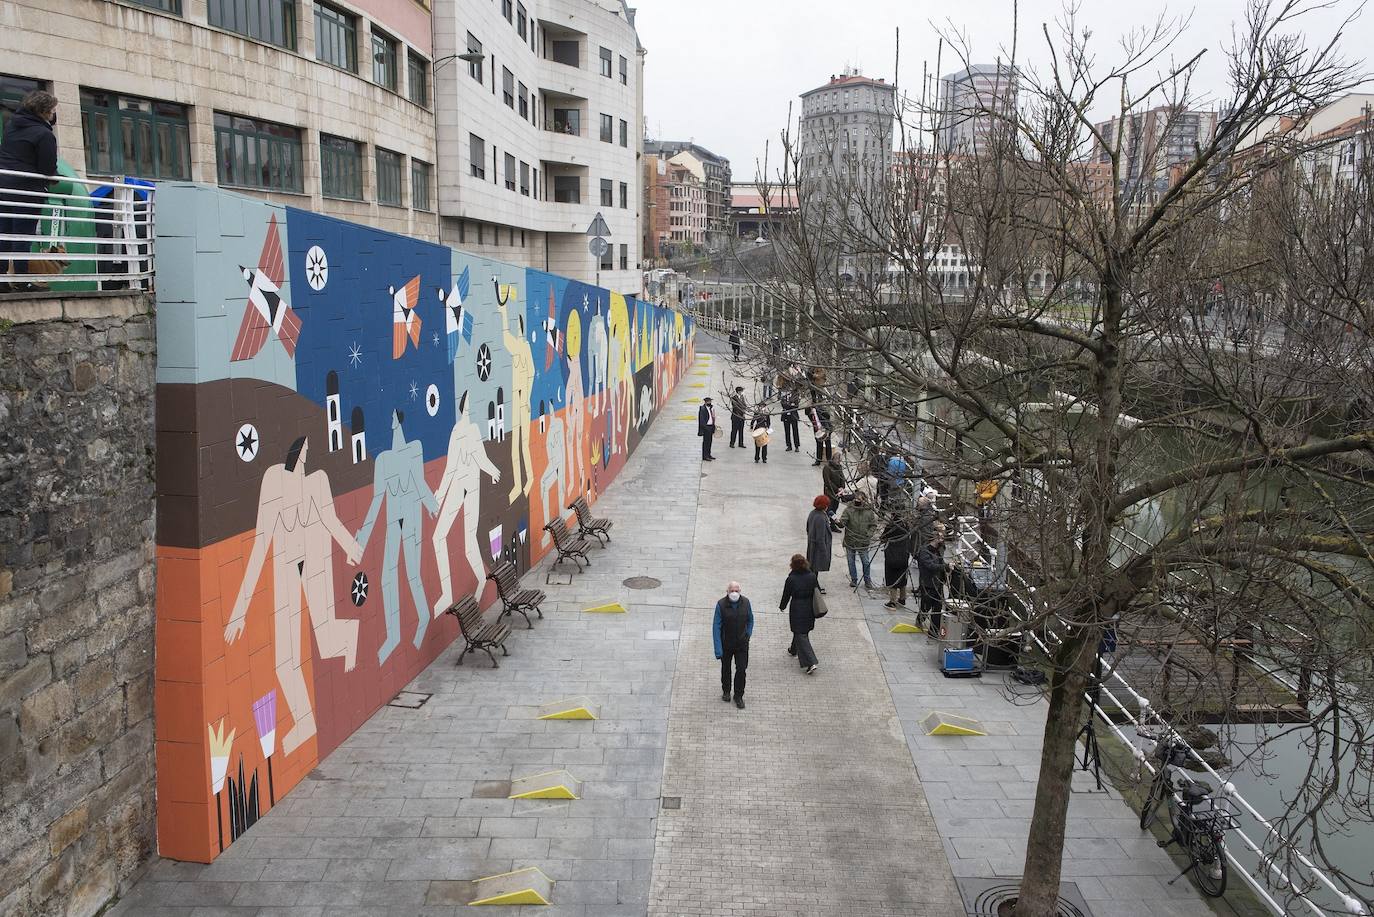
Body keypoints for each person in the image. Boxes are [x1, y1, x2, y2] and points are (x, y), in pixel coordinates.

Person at [0, 91, 59, 292]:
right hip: (26, 190)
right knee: (23, 236)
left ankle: (1, 281)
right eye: (52, 110)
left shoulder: (11, 126)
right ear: (44, 112)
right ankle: (22, 280)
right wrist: (54, 178)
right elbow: (47, 168)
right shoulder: (44, 134)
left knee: (5, 235)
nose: (53, 114)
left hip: (3, 187)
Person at [712, 581, 754, 709]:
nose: (734, 593)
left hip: (742, 644)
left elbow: (751, 620)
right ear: (727, 592)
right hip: (726, 644)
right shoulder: (721, 605)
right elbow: (716, 627)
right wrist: (718, 649)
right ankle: (726, 691)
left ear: (740, 591)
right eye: (732, 590)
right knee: (726, 668)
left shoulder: (746, 603)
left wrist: (748, 634)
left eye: (736, 590)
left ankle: (738, 695)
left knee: (741, 670)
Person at [780, 554, 820, 674]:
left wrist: (782, 606)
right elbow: (817, 590)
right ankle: (793, 650)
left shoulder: (791, 579)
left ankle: (810, 662)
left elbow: (786, 594)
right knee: (802, 631)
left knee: (800, 633)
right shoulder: (812, 576)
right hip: (809, 607)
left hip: (797, 608)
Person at [916, 524, 950, 638]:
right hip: (928, 583)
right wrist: (945, 567)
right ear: (934, 539)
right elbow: (930, 566)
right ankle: (920, 619)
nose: (942, 540)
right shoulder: (924, 551)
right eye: (940, 538)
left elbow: (940, 563)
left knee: (937, 609)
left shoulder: (940, 549)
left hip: (938, 583)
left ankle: (934, 631)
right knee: (926, 606)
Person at [838, 492, 877, 589]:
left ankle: (867, 580)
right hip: (850, 539)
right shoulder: (849, 510)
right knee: (851, 561)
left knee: (866, 562)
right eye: (856, 499)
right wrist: (838, 522)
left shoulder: (869, 511)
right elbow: (843, 523)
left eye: (860, 500)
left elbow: (873, 525)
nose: (858, 501)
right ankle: (854, 579)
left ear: (864, 500)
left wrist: (868, 534)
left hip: (863, 540)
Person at [882, 513, 916, 609]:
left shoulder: (891, 526)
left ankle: (892, 601)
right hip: (903, 555)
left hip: (892, 555)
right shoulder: (906, 526)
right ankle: (902, 598)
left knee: (891, 577)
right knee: (902, 577)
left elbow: (883, 537)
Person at [806, 495, 833, 593]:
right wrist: (824, 552)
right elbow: (820, 537)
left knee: (813, 568)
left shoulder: (812, 513)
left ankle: (815, 586)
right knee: (814, 568)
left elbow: (808, 529)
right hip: (817, 548)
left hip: (812, 545)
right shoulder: (821, 517)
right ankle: (815, 587)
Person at [821, 456, 846, 525]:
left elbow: (842, 477)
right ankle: (825, 524)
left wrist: (842, 487)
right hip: (829, 492)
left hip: (837, 493)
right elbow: (827, 481)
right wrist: (837, 489)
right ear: (834, 459)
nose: (839, 462)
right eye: (838, 460)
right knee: (829, 509)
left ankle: (833, 524)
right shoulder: (827, 467)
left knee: (834, 509)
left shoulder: (839, 467)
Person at [780, 387, 801, 452]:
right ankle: (789, 445)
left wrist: (789, 405)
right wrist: (790, 405)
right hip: (786, 415)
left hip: (793, 415)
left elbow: (796, 405)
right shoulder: (784, 395)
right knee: (787, 431)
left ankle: (796, 446)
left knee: (795, 431)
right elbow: (783, 404)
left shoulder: (795, 395)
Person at [697, 396, 717, 461]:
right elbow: (701, 420)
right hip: (706, 428)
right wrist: (705, 427)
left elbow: (712, 417)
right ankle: (705, 456)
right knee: (706, 442)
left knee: (710, 442)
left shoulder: (711, 408)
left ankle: (709, 454)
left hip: (711, 426)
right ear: (706, 402)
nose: (710, 402)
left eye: (710, 401)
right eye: (709, 401)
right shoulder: (702, 409)